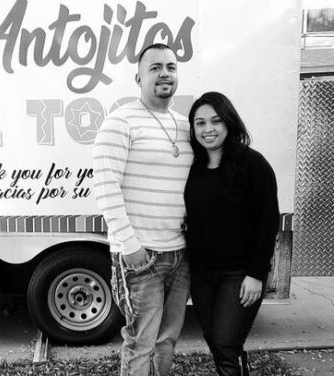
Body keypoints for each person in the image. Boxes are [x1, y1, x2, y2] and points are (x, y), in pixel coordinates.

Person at [93, 43, 193, 376]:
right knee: (140, 344)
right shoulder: (120, 122)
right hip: (142, 257)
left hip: (180, 255)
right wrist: (131, 246)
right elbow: (105, 187)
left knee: (167, 342)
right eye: (155, 68)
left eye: (171, 66)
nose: (165, 73)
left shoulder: (185, 126)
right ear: (138, 77)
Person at [184, 91, 280, 376]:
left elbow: (268, 221)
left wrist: (256, 274)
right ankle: (240, 366)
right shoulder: (195, 168)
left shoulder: (253, 164)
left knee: (226, 342)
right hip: (202, 273)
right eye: (200, 123)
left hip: (240, 273)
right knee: (215, 339)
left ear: (229, 122)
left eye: (215, 121)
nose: (208, 129)